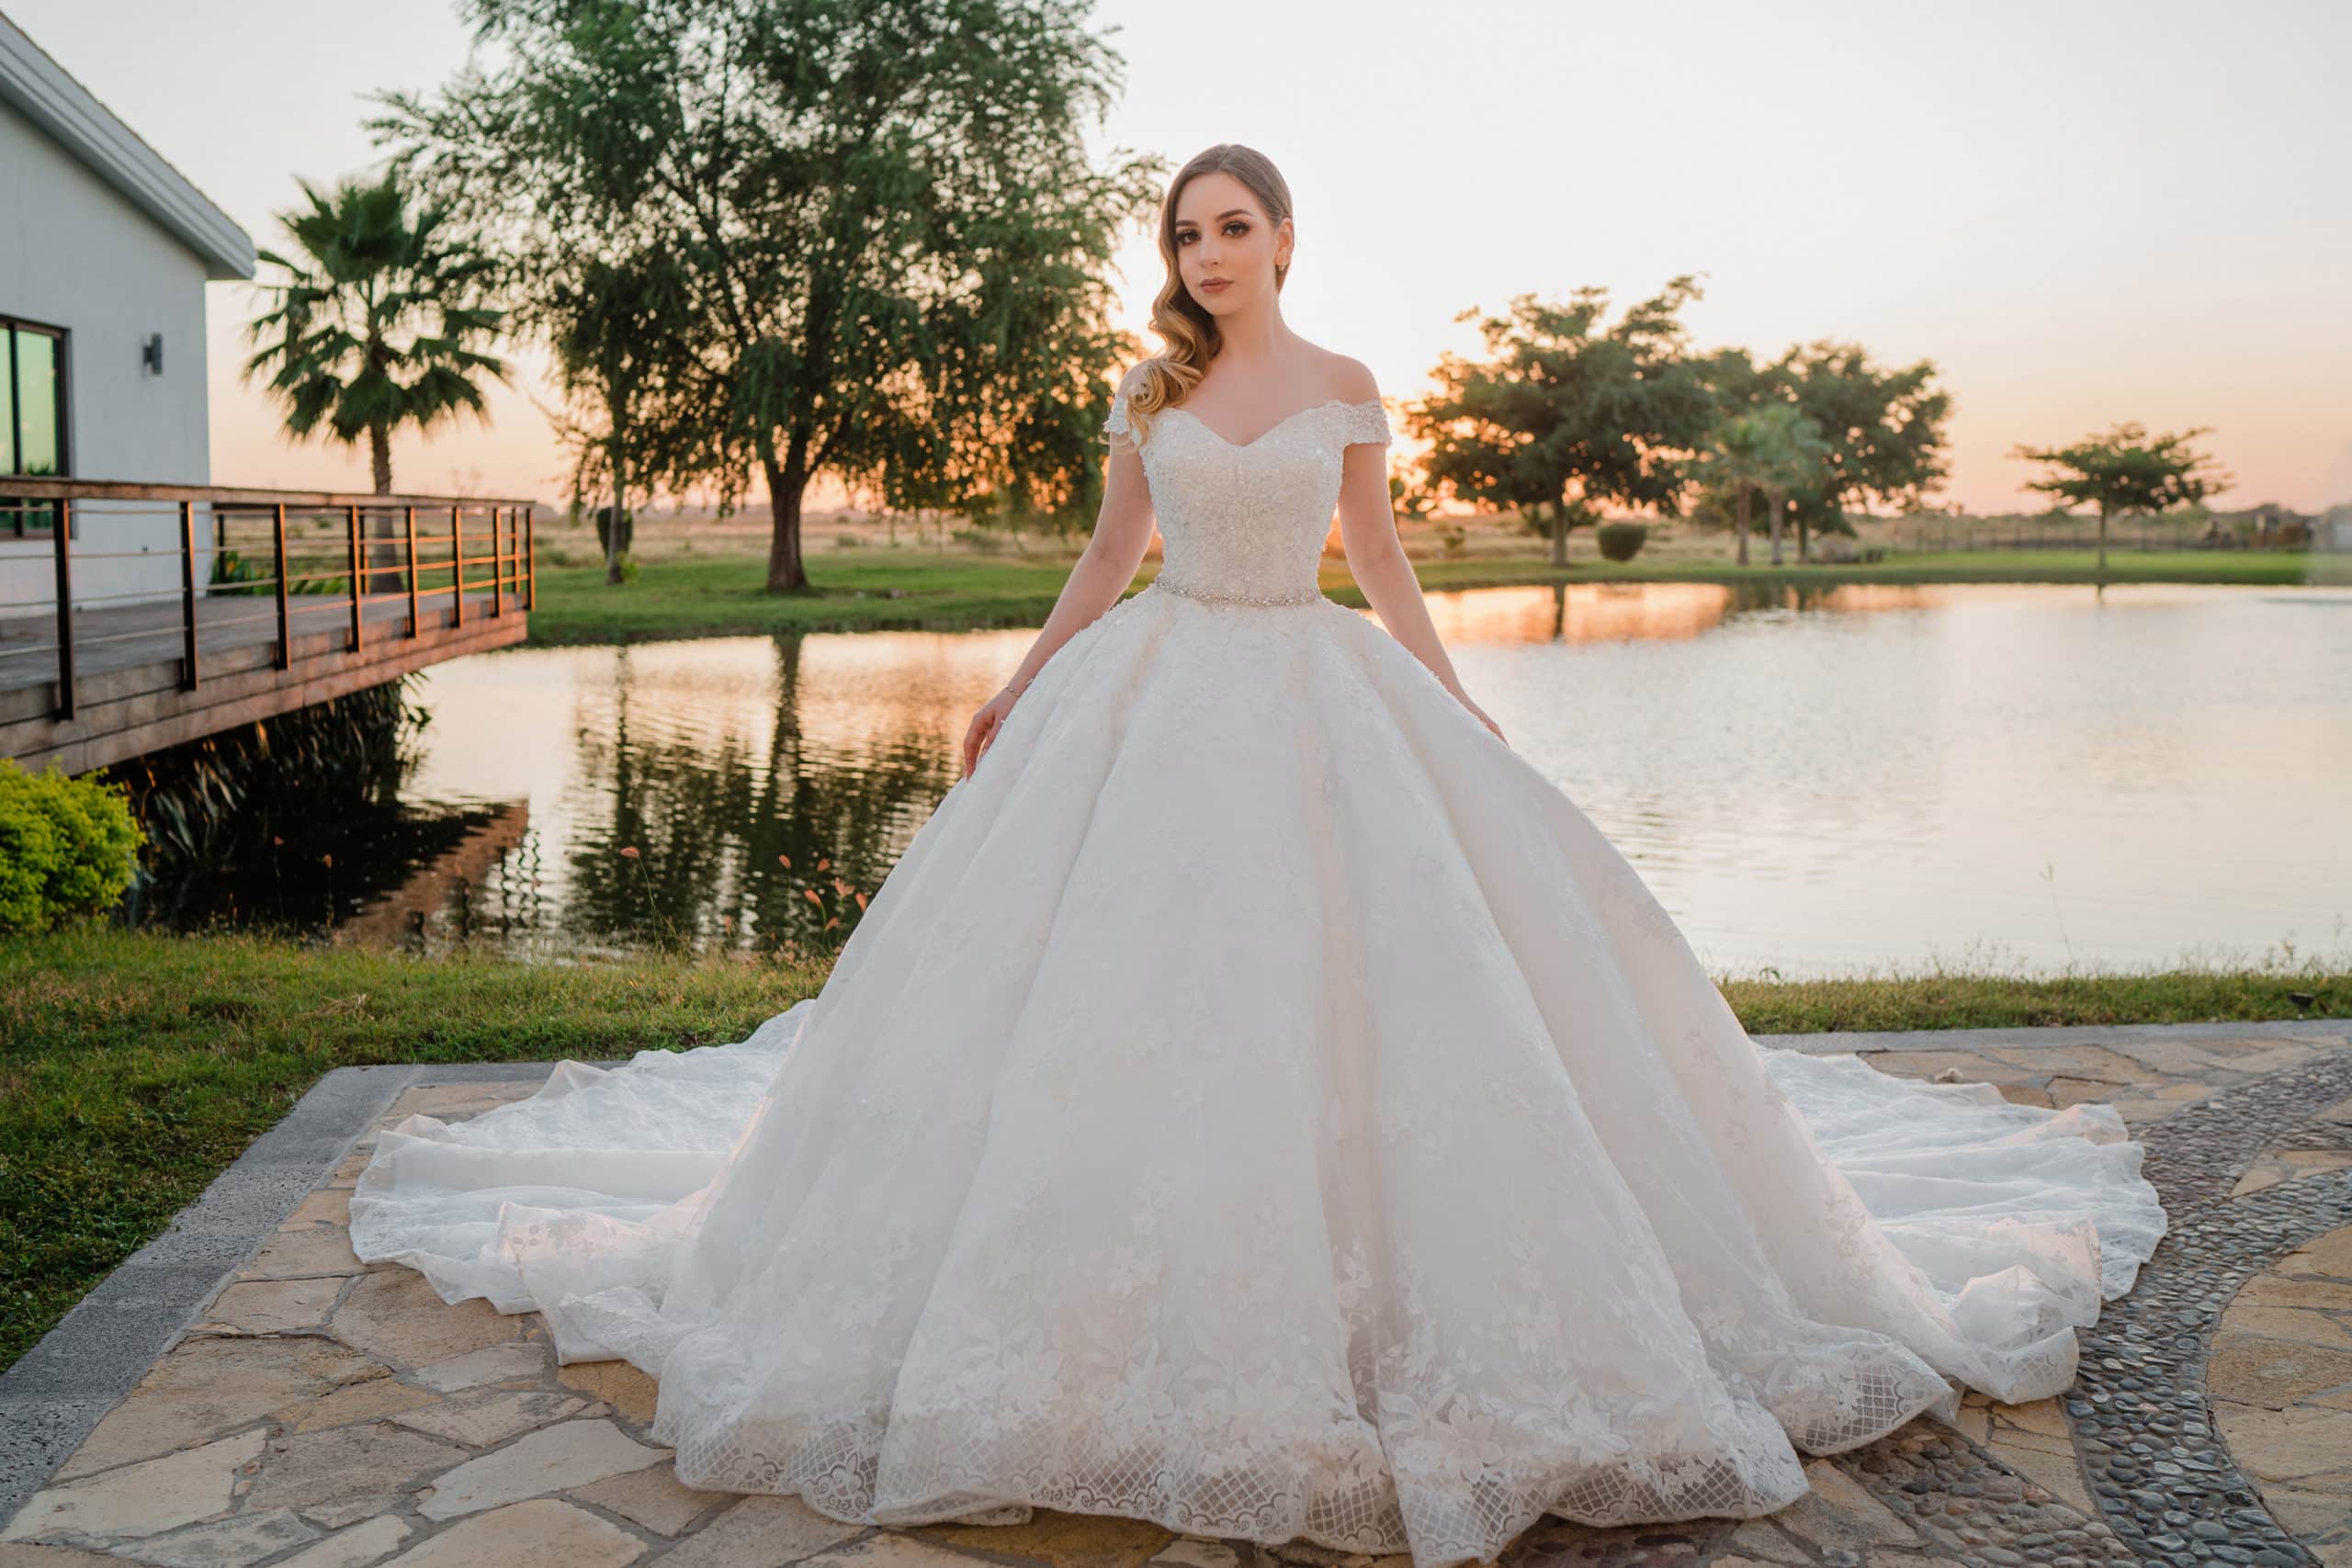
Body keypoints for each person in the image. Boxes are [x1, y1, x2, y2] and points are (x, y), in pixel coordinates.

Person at [350, 144, 2165, 1568]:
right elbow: (1097, 559)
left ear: (1284, 236)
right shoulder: (1147, 398)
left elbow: (1381, 568)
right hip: (1153, 697)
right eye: (1185, 232)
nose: (1206, 254)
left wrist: (1454, 707)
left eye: (1231, 226)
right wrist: (1023, 675)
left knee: (1368, 1001)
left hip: (1313, 697)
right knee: (1110, 1004)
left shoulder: (1352, 384)